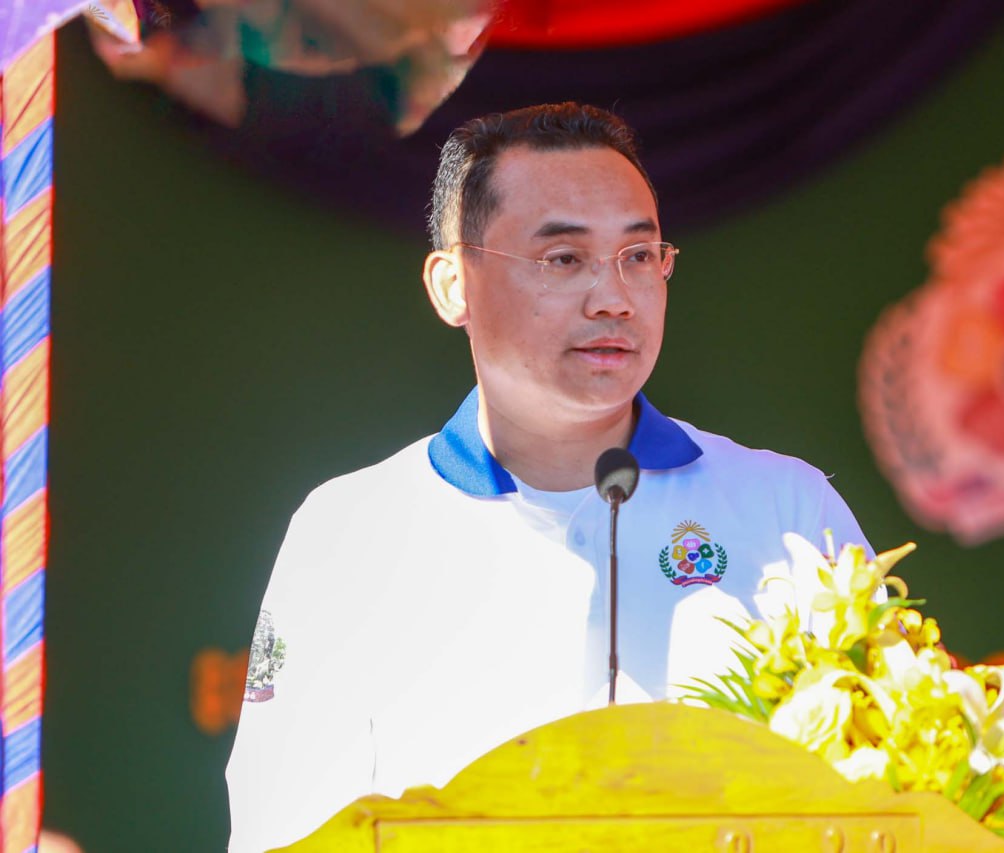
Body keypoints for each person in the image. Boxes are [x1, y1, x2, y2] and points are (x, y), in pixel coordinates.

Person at [224, 102, 871, 852]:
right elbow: (285, 829)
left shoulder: (786, 510)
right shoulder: (349, 532)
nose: (614, 298)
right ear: (453, 285)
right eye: (564, 259)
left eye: (639, 256)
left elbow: (890, 793)